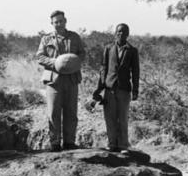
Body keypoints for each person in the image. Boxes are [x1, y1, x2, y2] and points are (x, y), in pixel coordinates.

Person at [36, 10, 86, 152]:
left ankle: (70, 142)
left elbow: (82, 53)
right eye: (55, 22)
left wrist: (73, 62)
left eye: (61, 21)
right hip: (54, 80)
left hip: (71, 79)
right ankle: (55, 142)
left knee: (71, 111)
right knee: (54, 112)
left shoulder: (75, 37)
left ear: (65, 21)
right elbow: (39, 56)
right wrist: (56, 62)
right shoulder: (46, 39)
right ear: (52, 23)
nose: (58, 24)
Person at [94, 23, 139, 154]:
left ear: (128, 34)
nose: (120, 34)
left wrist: (135, 90)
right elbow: (104, 68)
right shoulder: (108, 48)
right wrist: (100, 88)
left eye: (123, 32)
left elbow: (136, 72)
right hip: (109, 88)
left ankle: (124, 146)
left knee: (123, 118)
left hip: (124, 89)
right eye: (118, 31)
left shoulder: (132, 50)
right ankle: (112, 144)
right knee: (110, 118)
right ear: (115, 33)